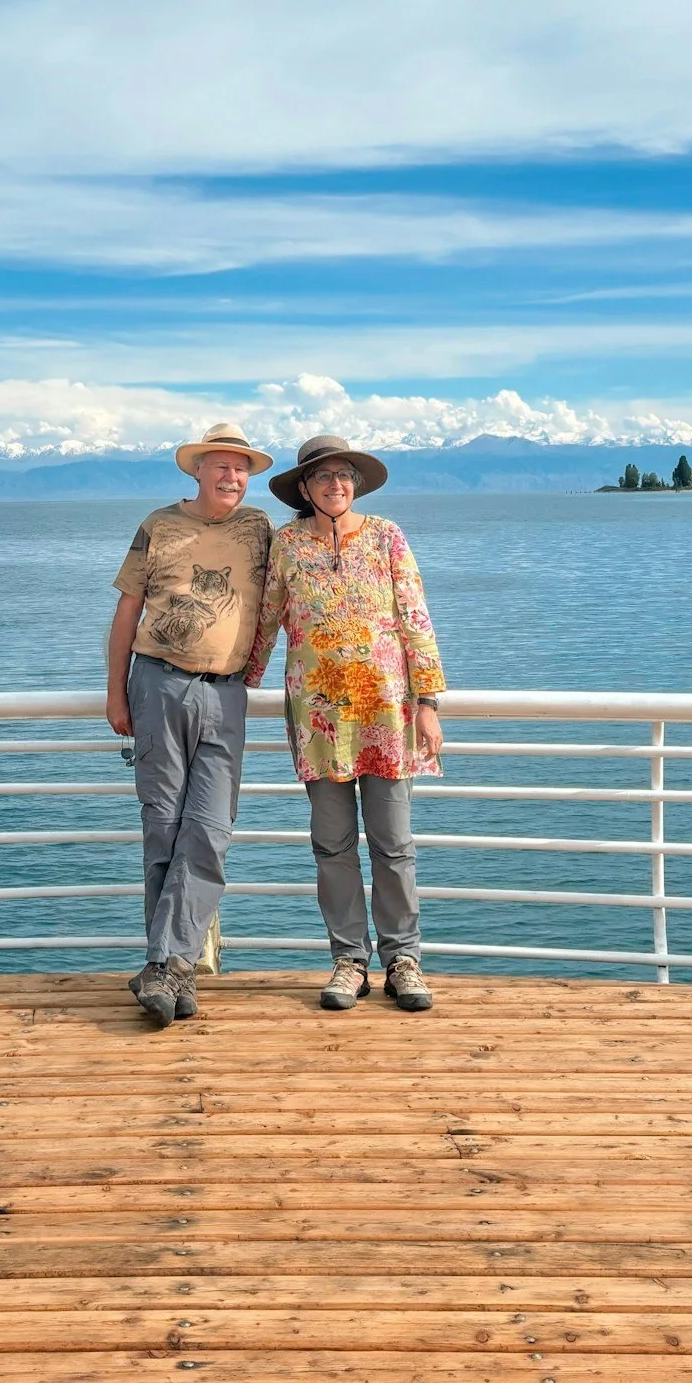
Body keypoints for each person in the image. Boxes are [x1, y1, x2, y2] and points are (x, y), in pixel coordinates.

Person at [245, 433, 446, 1013]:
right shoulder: (286, 544)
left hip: (387, 711)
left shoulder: (386, 536)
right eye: (324, 477)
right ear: (303, 489)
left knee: (393, 842)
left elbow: (414, 617)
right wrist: (238, 684)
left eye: (345, 476)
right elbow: (266, 619)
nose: (336, 485)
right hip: (317, 716)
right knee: (331, 845)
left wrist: (428, 702)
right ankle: (348, 961)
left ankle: (402, 960)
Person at [107, 422, 274, 1026]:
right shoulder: (158, 525)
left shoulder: (259, 530)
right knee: (164, 827)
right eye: (221, 466)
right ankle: (174, 969)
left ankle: (163, 966)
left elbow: (287, 595)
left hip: (227, 693)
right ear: (197, 471)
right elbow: (127, 610)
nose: (232, 478)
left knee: (209, 829)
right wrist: (116, 693)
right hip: (158, 683)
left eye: (242, 469)